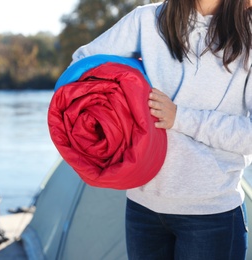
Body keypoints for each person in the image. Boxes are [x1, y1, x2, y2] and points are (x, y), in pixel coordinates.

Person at [69, 0, 252, 259]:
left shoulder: (248, 32)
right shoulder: (147, 20)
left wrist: (180, 117)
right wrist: (123, 102)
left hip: (211, 215)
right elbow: (83, 64)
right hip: (143, 209)